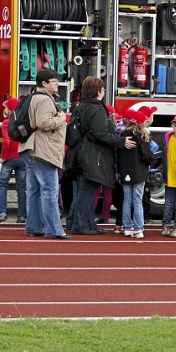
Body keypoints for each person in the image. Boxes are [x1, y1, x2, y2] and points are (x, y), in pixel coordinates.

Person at [69, 77, 135, 236]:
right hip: (94, 155)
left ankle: (86, 223)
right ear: (98, 92)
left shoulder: (80, 106)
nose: (104, 91)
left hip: (81, 152)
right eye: (103, 89)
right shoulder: (97, 109)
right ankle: (81, 225)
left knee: (86, 191)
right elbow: (101, 134)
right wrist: (120, 141)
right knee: (87, 191)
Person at [20, 68, 71, 239]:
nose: (57, 84)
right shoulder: (45, 100)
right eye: (54, 81)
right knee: (50, 190)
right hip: (43, 150)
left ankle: (34, 226)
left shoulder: (33, 97)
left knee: (34, 190)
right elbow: (43, 123)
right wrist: (61, 118)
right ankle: (54, 229)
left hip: (30, 148)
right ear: (44, 84)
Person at [117, 110, 152, 239]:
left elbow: (118, 155)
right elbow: (147, 156)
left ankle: (127, 227)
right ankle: (138, 228)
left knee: (127, 200)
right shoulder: (142, 137)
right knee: (137, 201)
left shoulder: (122, 137)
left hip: (125, 172)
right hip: (139, 173)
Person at [0, 98, 27, 223]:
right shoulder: (23, 123)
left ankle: (1, 212)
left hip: (9, 159)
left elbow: (6, 142)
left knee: (3, 185)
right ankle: (22, 215)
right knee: (21, 187)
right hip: (22, 158)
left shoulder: (6, 123)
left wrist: (3, 157)